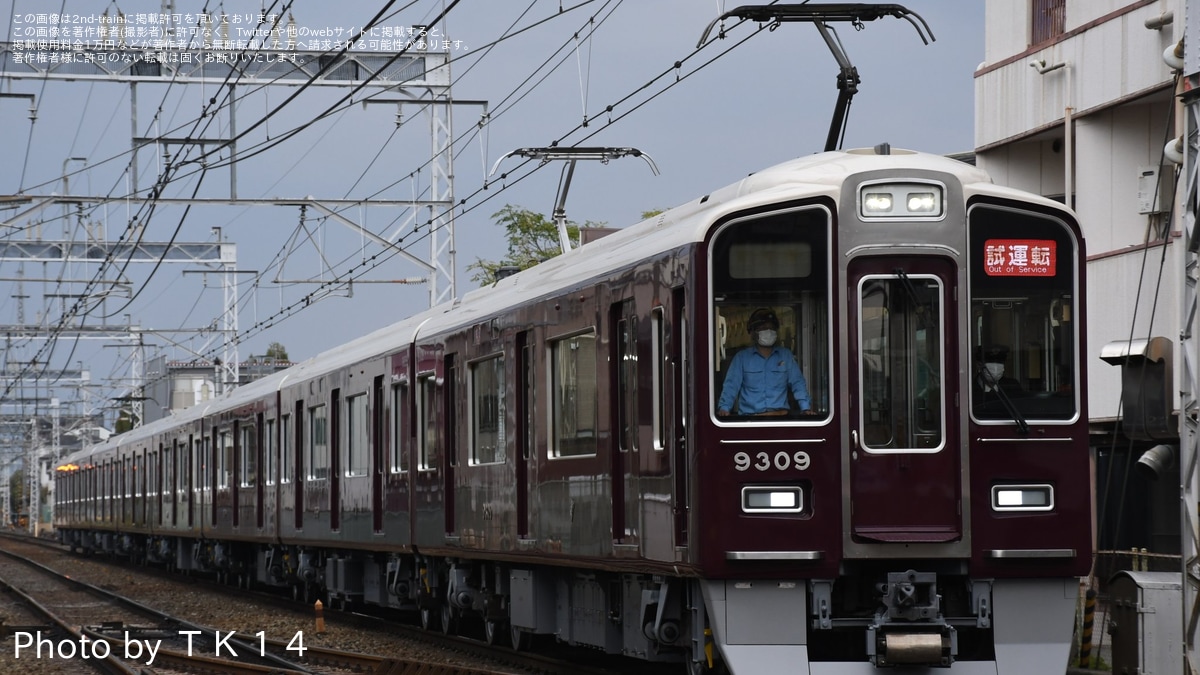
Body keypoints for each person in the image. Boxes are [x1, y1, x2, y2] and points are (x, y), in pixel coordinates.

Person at [717, 307, 813, 417]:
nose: (768, 331)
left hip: (780, 418)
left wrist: (805, 408)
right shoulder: (741, 358)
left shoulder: (785, 356)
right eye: (763, 328)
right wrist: (724, 408)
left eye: (771, 328)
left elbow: (797, 382)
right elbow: (731, 386)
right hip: (750, 421)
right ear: (752, 332)